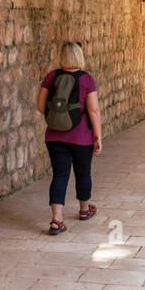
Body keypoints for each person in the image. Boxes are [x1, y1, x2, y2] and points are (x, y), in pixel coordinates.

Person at [37, 41, 102, 235]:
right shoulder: (86, 79)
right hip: (82, 138)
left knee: (59, 175)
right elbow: (94, 110)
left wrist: (58, 121)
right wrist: (97, 136)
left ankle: (57, 220)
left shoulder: (51, 77)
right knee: (83, 173)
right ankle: (84, 210)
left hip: (54, 137)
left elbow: (41, 106)